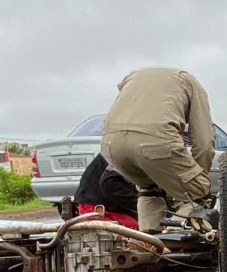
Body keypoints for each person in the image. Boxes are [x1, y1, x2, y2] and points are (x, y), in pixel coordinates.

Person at [101, 67, 216, 232]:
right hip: (155, 141)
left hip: (111, 144)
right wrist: (196, 180)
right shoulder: (192, 84)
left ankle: (148, 246)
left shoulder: (132, 79)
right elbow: (204, 143)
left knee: (148, 191)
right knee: (197, 193)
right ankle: (175, 240)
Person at [73, 154, 140, 230]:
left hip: (107, 202)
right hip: (96, 206)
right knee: (142, 230)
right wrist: (140, 203)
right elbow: (110, 183)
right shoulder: (124, 152)